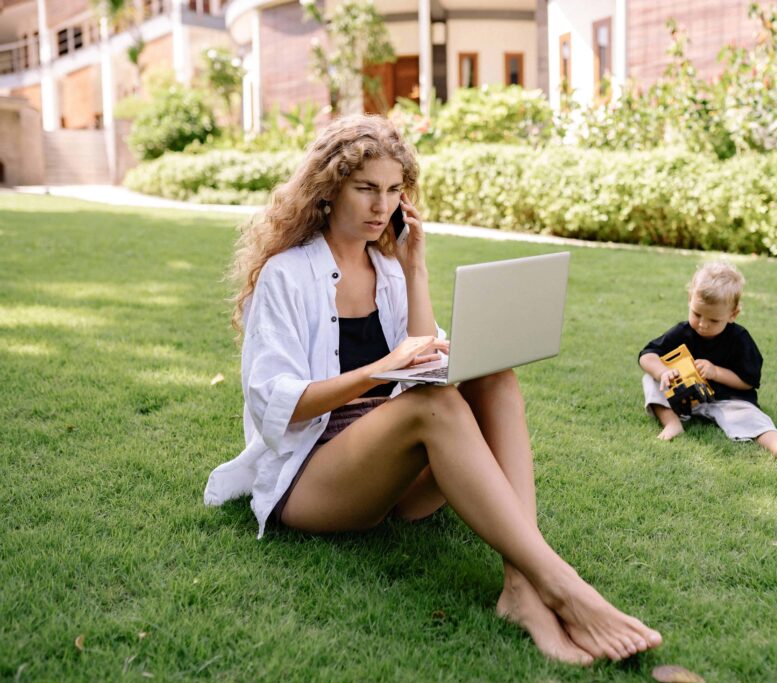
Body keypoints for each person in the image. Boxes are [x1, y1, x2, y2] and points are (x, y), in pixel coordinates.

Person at [203, 114, 661, 665]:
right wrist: (379, 371)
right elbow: (279, 404)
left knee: (495, 375)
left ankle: (521, 584)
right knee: (435, 406)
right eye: (366, 189)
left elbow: (420, 357)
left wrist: (415, 269)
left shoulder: (388, 268)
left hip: (392, 467)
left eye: (395, 191)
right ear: (328, 190)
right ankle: (561, 586)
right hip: (314, 479)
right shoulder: (286, 274)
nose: (382, 207)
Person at [638, 261, 777, 464]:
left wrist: (716, 372)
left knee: (752, 417)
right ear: (689, 300)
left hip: (727, 400)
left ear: (733, 315)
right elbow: (647, 355)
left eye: (714, 321)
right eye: (697, 314)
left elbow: (748, 381)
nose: (703, 324)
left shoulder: (739, 339)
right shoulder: (683, 331)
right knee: (650, 379)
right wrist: (663, 373)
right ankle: (672, 423)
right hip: (684, 397)